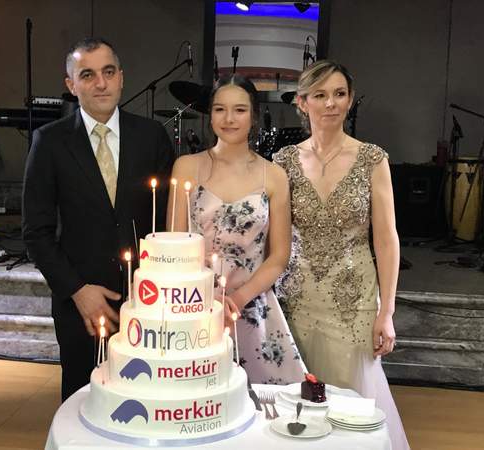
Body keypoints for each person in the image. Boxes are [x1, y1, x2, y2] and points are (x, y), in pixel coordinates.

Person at [22, 38, 173, 401]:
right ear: (71, 85)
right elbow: (36, 232)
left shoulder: (152, 137)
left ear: (121, 77)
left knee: (149, 401)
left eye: (108, 72)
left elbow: (170, 221)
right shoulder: (49, 142)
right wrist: (77, 290)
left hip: (148, 300)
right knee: (84, 403)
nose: (100, 83)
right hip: (82, 305)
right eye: (87, 75)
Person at [272, 60, 410, 449]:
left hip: (353, 300)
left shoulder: (372, 159)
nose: (331, 103)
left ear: (350, 100)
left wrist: (387, 311)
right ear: (302, 103)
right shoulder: (283, 161)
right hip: (296, 299)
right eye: (320, 95)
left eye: (339, 94)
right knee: (298, 407)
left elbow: (387, 240)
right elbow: (273, 239)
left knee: (351, 410)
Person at [169, 74, 306, 385]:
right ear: (210, 115)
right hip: (194, 306)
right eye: (220, 109)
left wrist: (239, 298)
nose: (229, 119)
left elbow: (279, 256)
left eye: (239, 110)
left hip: (251, 305)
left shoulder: (274, 176)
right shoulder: (186, 167)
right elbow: (173, 244)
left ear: (253, 115)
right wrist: (205, 299)